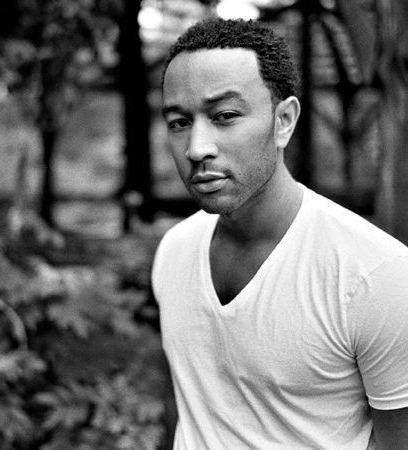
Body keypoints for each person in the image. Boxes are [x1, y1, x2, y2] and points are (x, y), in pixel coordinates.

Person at [151, 17, 408, 450]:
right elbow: (186, 407)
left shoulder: (377, 275)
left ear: (284, 120)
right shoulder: (173, 252)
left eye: (225, 116)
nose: (196, 148)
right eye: (179, 122)